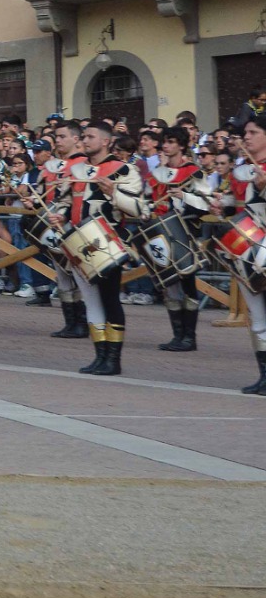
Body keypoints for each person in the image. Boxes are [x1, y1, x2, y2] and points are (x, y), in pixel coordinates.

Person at [45, 120, 148, 376]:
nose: (85, 141)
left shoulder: (124, 170)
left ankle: (113, 359)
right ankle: (100, 356)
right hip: (80, 243)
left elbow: (140, 210)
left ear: (105, 141)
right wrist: (60, 216)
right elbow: (67, 202)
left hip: (107, 242)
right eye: (84, 137)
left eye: (90, 137)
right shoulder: (76, 169)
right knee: (92, 302)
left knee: (110, 299)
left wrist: (114, 193)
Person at [144, 127, 208, 352]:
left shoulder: (194, 172)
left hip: (186, 233)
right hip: (160, 234)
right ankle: (177, 335)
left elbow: (205, 203)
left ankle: (189, 337)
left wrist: (185, 196)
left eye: (171, 142)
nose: (166, 146)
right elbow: (147, 200)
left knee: (188, 283)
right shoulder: (157, 174)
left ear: (181, 146)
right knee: (169, 286)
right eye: (165, 142)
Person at [218, 116, 266, 393]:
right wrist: (220, 205)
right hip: (247, 249)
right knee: (257, 317)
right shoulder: (242, 171)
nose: (246, 137)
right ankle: (264, 375)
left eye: (253, 132)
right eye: (245, 133)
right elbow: (237, 208)